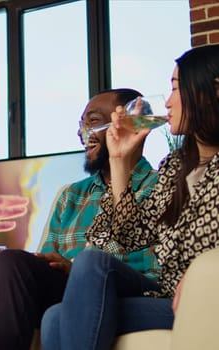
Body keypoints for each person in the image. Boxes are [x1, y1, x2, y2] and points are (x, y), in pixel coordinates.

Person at [0, 88, 161, 350]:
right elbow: (41, 264)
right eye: (81, 124)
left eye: (92, 122)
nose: (82, 133)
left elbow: (151, 268)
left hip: (107, 291)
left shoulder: (159, 187)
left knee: (9, 263)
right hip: (52, 292)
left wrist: (77, 270)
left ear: (128, 124)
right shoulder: (71, 195)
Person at [40, 44, 219, 350]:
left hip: (203, 299)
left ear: (211, 92)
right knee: (65, 301)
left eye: (176, 88)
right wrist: (119, 161)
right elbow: (122, 238)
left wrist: (200, 275)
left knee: (69, 302)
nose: (168, 102)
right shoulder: (176, 166)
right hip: (166, 296)